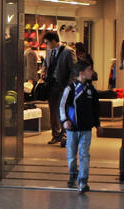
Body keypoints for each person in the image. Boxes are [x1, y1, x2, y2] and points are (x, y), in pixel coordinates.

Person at [60, 59, 99, 192]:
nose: (92, 72)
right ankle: (73, 175)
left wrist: (97, 124)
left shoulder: (91, 89)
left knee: (84, 155)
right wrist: (65, 120)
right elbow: (62, 105)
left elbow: (95, 108)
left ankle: (83, 181)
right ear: (81, 73)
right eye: (89, 70)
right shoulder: (70, 89)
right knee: (71, 155)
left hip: (86, 129)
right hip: (72, 129)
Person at [42, 31, 75, 145]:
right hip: (51, 85)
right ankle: (55, 134)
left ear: (54, 41)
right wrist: (43, 70)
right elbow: (45, 63)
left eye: (47, 43)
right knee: (53, 111)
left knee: (63, 110)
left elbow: (73, 70)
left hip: (63, 85)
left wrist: (69, 85)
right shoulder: (49, 51)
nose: (46, 45)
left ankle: (64, 135)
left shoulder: (68, 51)